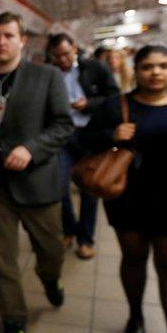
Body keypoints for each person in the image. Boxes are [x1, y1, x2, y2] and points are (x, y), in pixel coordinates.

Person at [82, 45, 167, 333]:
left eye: (164, 65)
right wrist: (111, 134)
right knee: (133, 259)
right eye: (148, 66)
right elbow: (82, 140)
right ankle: (135, 313)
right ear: (137, 70)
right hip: (128, 198)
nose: (156, 72)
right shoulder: (115, 106)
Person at [0, 12, 74, 333]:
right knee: (3, 259)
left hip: (37, 181)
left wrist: (31, 148)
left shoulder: (47, 77)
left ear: (22, 40)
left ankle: (50, 277)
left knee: (51, 250)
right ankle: (14, 319)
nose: (1, 41)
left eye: (8, 35)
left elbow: (62, 125)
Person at [46, 33, 120, 259]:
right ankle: (69, 228)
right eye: (58, 56)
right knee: (59, 187)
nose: (63, 60)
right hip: (63, 136)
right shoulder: (49, 74)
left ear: (75, 48)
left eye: (66, 54)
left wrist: (88, 104)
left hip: (91, 135)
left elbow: (113, 96)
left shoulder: (95, 68)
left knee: (89, 190)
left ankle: (85, 239)